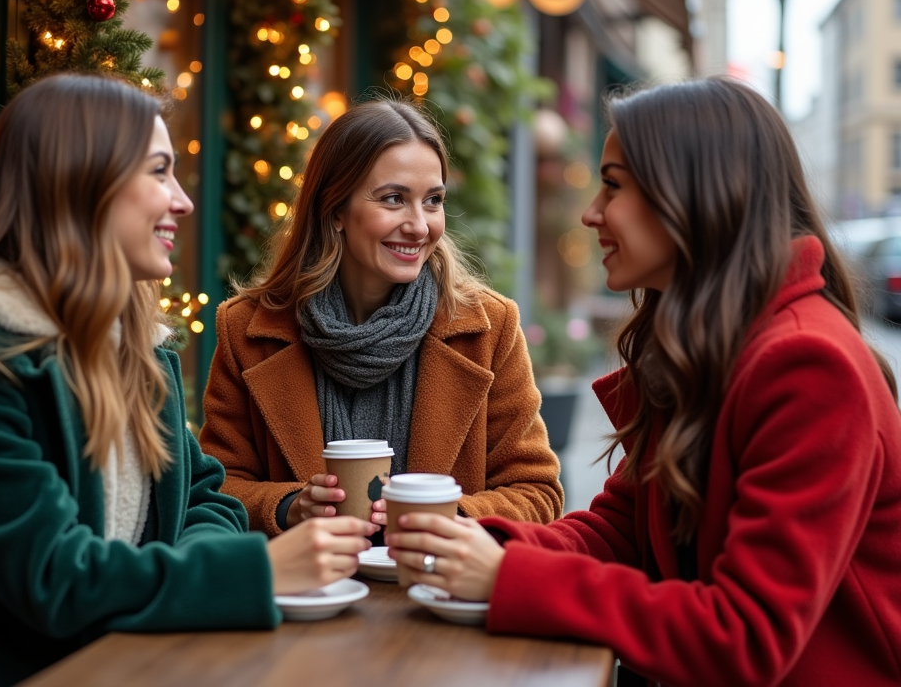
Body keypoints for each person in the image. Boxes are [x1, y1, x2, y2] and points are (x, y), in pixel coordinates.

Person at [385, 77, 901, 687]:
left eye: (613, 184)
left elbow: (745, 637)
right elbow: (620, 530)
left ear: (693, 196)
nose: (591, 213)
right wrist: (478, 543)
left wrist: (506, 576)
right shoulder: (706, 348)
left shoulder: (811, 366)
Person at [0, 74, 375, 687]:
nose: (182, 201)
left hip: (124, 661)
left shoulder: (137, 346)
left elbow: (204, 500)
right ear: (81, 182)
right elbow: (53, 579)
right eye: (158, 172)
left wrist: (183, 578)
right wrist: (258, 573)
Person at [198, 98, 563, 537]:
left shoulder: (487, 328)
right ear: (335, 210)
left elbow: (538, 492)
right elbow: (218, 488)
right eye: (393, 199)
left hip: (436, 594)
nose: (419, 225)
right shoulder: (249, 330)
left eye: (433, 201)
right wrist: (287, 509)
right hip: (309, 598)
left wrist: (445, 519)